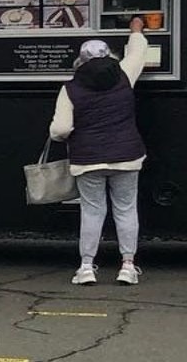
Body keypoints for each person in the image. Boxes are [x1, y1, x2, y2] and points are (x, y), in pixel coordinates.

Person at [49, 16, 150, 287]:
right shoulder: (124, 75)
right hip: (127, 156)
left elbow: (60, 129)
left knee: (93, 211)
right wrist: (136, 30)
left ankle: (86, 268)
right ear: (109, 56)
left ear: (80, 60)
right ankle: (127, 266)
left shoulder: (70, 88)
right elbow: (138, 52)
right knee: (126, 209)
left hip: (88, 159)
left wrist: (62, 135)